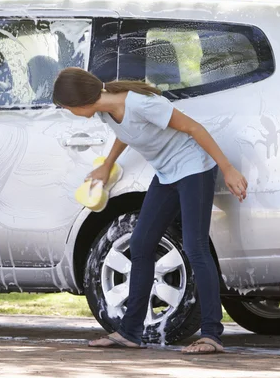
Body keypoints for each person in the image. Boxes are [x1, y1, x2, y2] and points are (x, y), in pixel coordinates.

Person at [52, 67, 248, 354]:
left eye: (67, 108)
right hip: (167, 174)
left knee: (195, 247)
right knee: (142, 243)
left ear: (81, 104)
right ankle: (130, 332)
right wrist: (107, 165)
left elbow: (193, 128)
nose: (69, 112)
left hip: (194, 170)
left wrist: (228, 170)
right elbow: (126, 132)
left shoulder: (140, 103)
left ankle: (211, 335)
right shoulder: (107, 109)